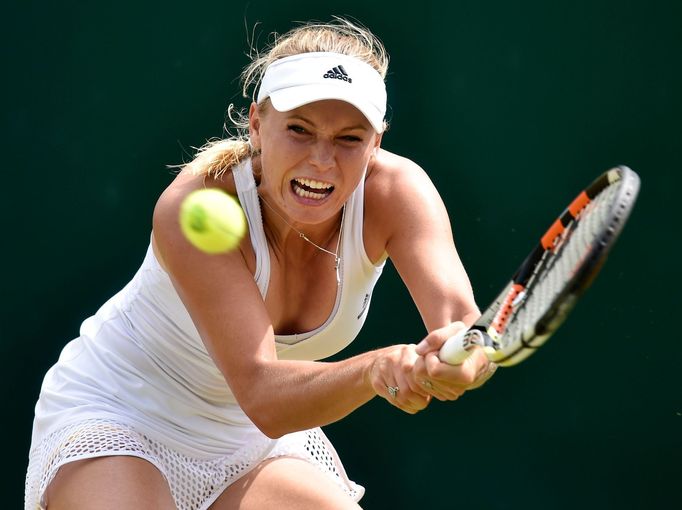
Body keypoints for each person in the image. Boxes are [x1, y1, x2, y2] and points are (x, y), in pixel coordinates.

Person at [24, 17, 496, 510]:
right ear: (256, 125)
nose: (321, 159)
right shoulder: (196, 204)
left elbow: (467, 329)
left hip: (249, 443)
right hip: (123, 410)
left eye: (349, 139)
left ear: (376, 142)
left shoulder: (399, 193)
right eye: (299, 130)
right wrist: (374, 369)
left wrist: (462, 363)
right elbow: (262, 393)